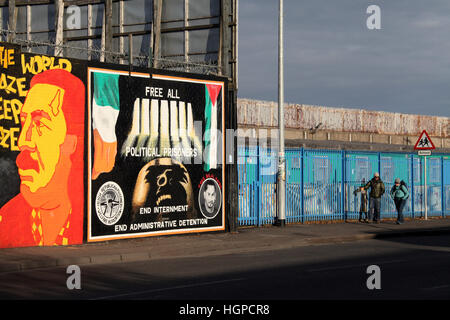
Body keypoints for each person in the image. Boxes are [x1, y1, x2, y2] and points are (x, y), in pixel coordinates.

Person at [0, 69, 85, 248]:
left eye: (39, 123)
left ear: (71, 142)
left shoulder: (88, 216)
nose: (23, 141)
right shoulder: (5, 220)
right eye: (24, 122)